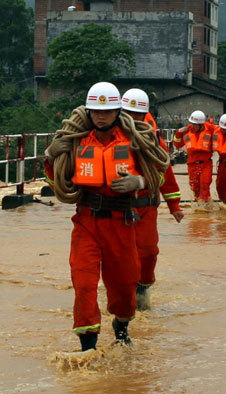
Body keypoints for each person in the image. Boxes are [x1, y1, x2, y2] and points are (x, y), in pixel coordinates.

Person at [43, 82, 169, 351]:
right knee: (84, 283)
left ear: (117, 111)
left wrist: (138, 182)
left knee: (124, 287)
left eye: (108, 111)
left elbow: (160, 174)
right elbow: (57, 183)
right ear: (88, 112)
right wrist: (51, 155)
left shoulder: (136, 140)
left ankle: (121, 327)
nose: (101, 116)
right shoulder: (75, 140)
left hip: (122, 221)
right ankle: (87, 347)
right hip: (86, 220)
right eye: (96, 111)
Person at [119, 88, 185, 310]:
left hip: (145, 205)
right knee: (118, 255)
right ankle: (122, 297)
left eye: (137, 114)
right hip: (116, 205)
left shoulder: (153, 138)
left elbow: (165, 171)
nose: (132, 118)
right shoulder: (110, 132)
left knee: (148, 252)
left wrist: (174, 205)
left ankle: (143, 287)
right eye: (127, 113)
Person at [173, 110, 215, 204]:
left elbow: (222, 132)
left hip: (206, 163)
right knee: (195, 187)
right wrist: (179, 133)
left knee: (205, 184)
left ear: (201, 125)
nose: (193, 126)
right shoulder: (186, 131)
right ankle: (201, 205)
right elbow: (177, 144)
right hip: (192, 164)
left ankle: (203, 208)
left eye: (196, 124)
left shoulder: (210, 130)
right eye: (192, 124)